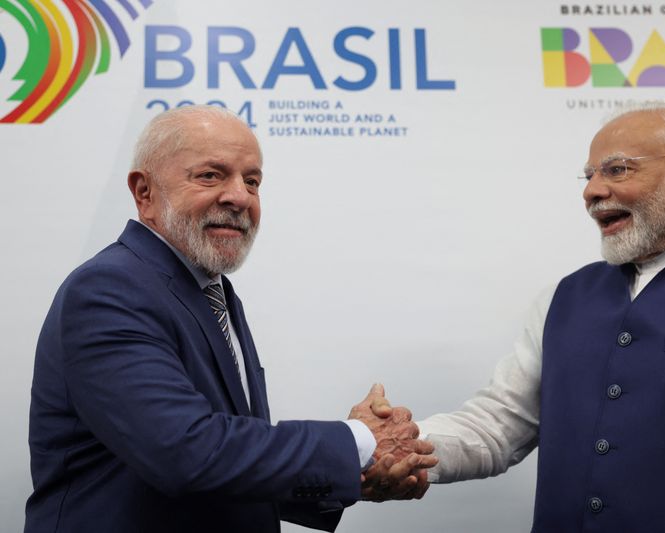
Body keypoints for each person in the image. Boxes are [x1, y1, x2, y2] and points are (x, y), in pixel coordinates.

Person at [25, 105, 435, 533]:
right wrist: (357, 442)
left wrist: (360, 473)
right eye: (210, 175)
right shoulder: (109, 289)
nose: (239, 196)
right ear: (144, 193)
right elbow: (186, 452)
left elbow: (229, 461)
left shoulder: (212, 290)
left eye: (252, 181)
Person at [414, 106, 665, 531]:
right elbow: (497, 425)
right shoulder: (563, 297)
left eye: (617, 170)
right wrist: (382, 449)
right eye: (590, 175)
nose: (592, 191)